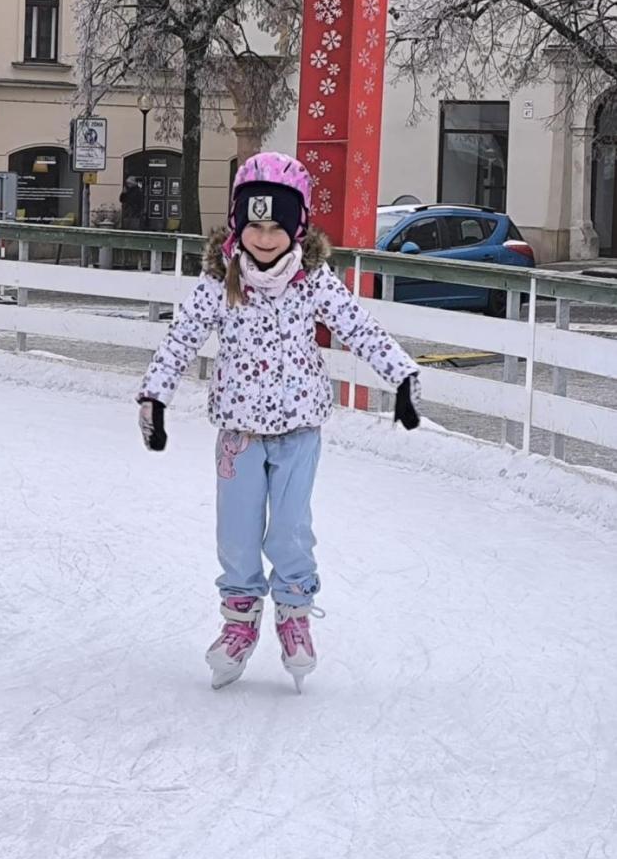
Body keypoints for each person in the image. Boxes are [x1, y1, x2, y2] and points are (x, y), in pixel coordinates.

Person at [136, 152, 422, 692]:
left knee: (290, 531)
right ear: (238, 225)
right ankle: (240, 624)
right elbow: (180, 339)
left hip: (298, 431)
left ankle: (293, 616)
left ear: (298, 227)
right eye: (254, 225)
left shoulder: (313, 282)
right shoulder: (220, 282)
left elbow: (358, 328)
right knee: (238, 536)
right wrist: (155, 395)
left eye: (276, 227)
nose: (264, 238)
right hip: (238, 434)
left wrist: (402, 376)